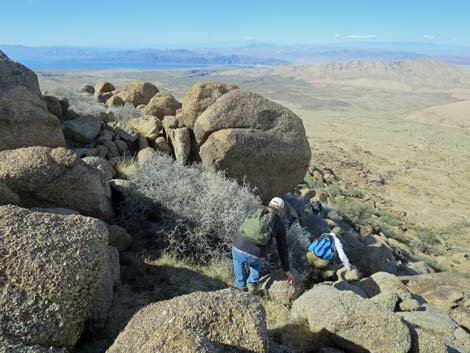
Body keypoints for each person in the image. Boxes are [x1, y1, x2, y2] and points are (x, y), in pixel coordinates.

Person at [232, 197, 295, 292]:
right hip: (256, 254)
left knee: (238, 260)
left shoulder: (255, 209)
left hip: (239, 246)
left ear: (270, 203)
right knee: (256, 262)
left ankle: (240, 286)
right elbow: (282, 248)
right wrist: (286, 270)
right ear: (281, 210)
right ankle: (253, 282)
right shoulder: (279, 223)